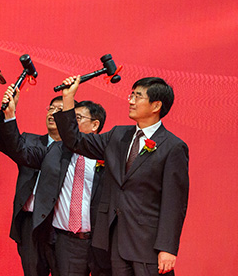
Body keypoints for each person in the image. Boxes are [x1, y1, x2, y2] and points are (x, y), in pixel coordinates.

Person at [54, 76, 189, 275]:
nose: (131, 101)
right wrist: (68, 99)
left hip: (148, 245)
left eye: (138, 96)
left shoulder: (173, 147)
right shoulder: (118, 135)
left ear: (156, 105)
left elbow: (174, 203)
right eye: (131, 95)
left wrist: (167, 248)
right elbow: (75, 141)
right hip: (114, 242)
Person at [0, 87, 68, 276]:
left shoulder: (74, 150)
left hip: (59, 222)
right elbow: (4, 143)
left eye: (59, 110)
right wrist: (8, 113)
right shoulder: (29, 141)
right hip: (30, 221)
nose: (52, 113)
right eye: (51, 108)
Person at [51, 100, 111, 276]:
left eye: (77, 118)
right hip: (69, 243)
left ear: (95, 125)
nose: (71, 123)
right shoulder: (58, 151)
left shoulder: (110, 155)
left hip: (101, 242)